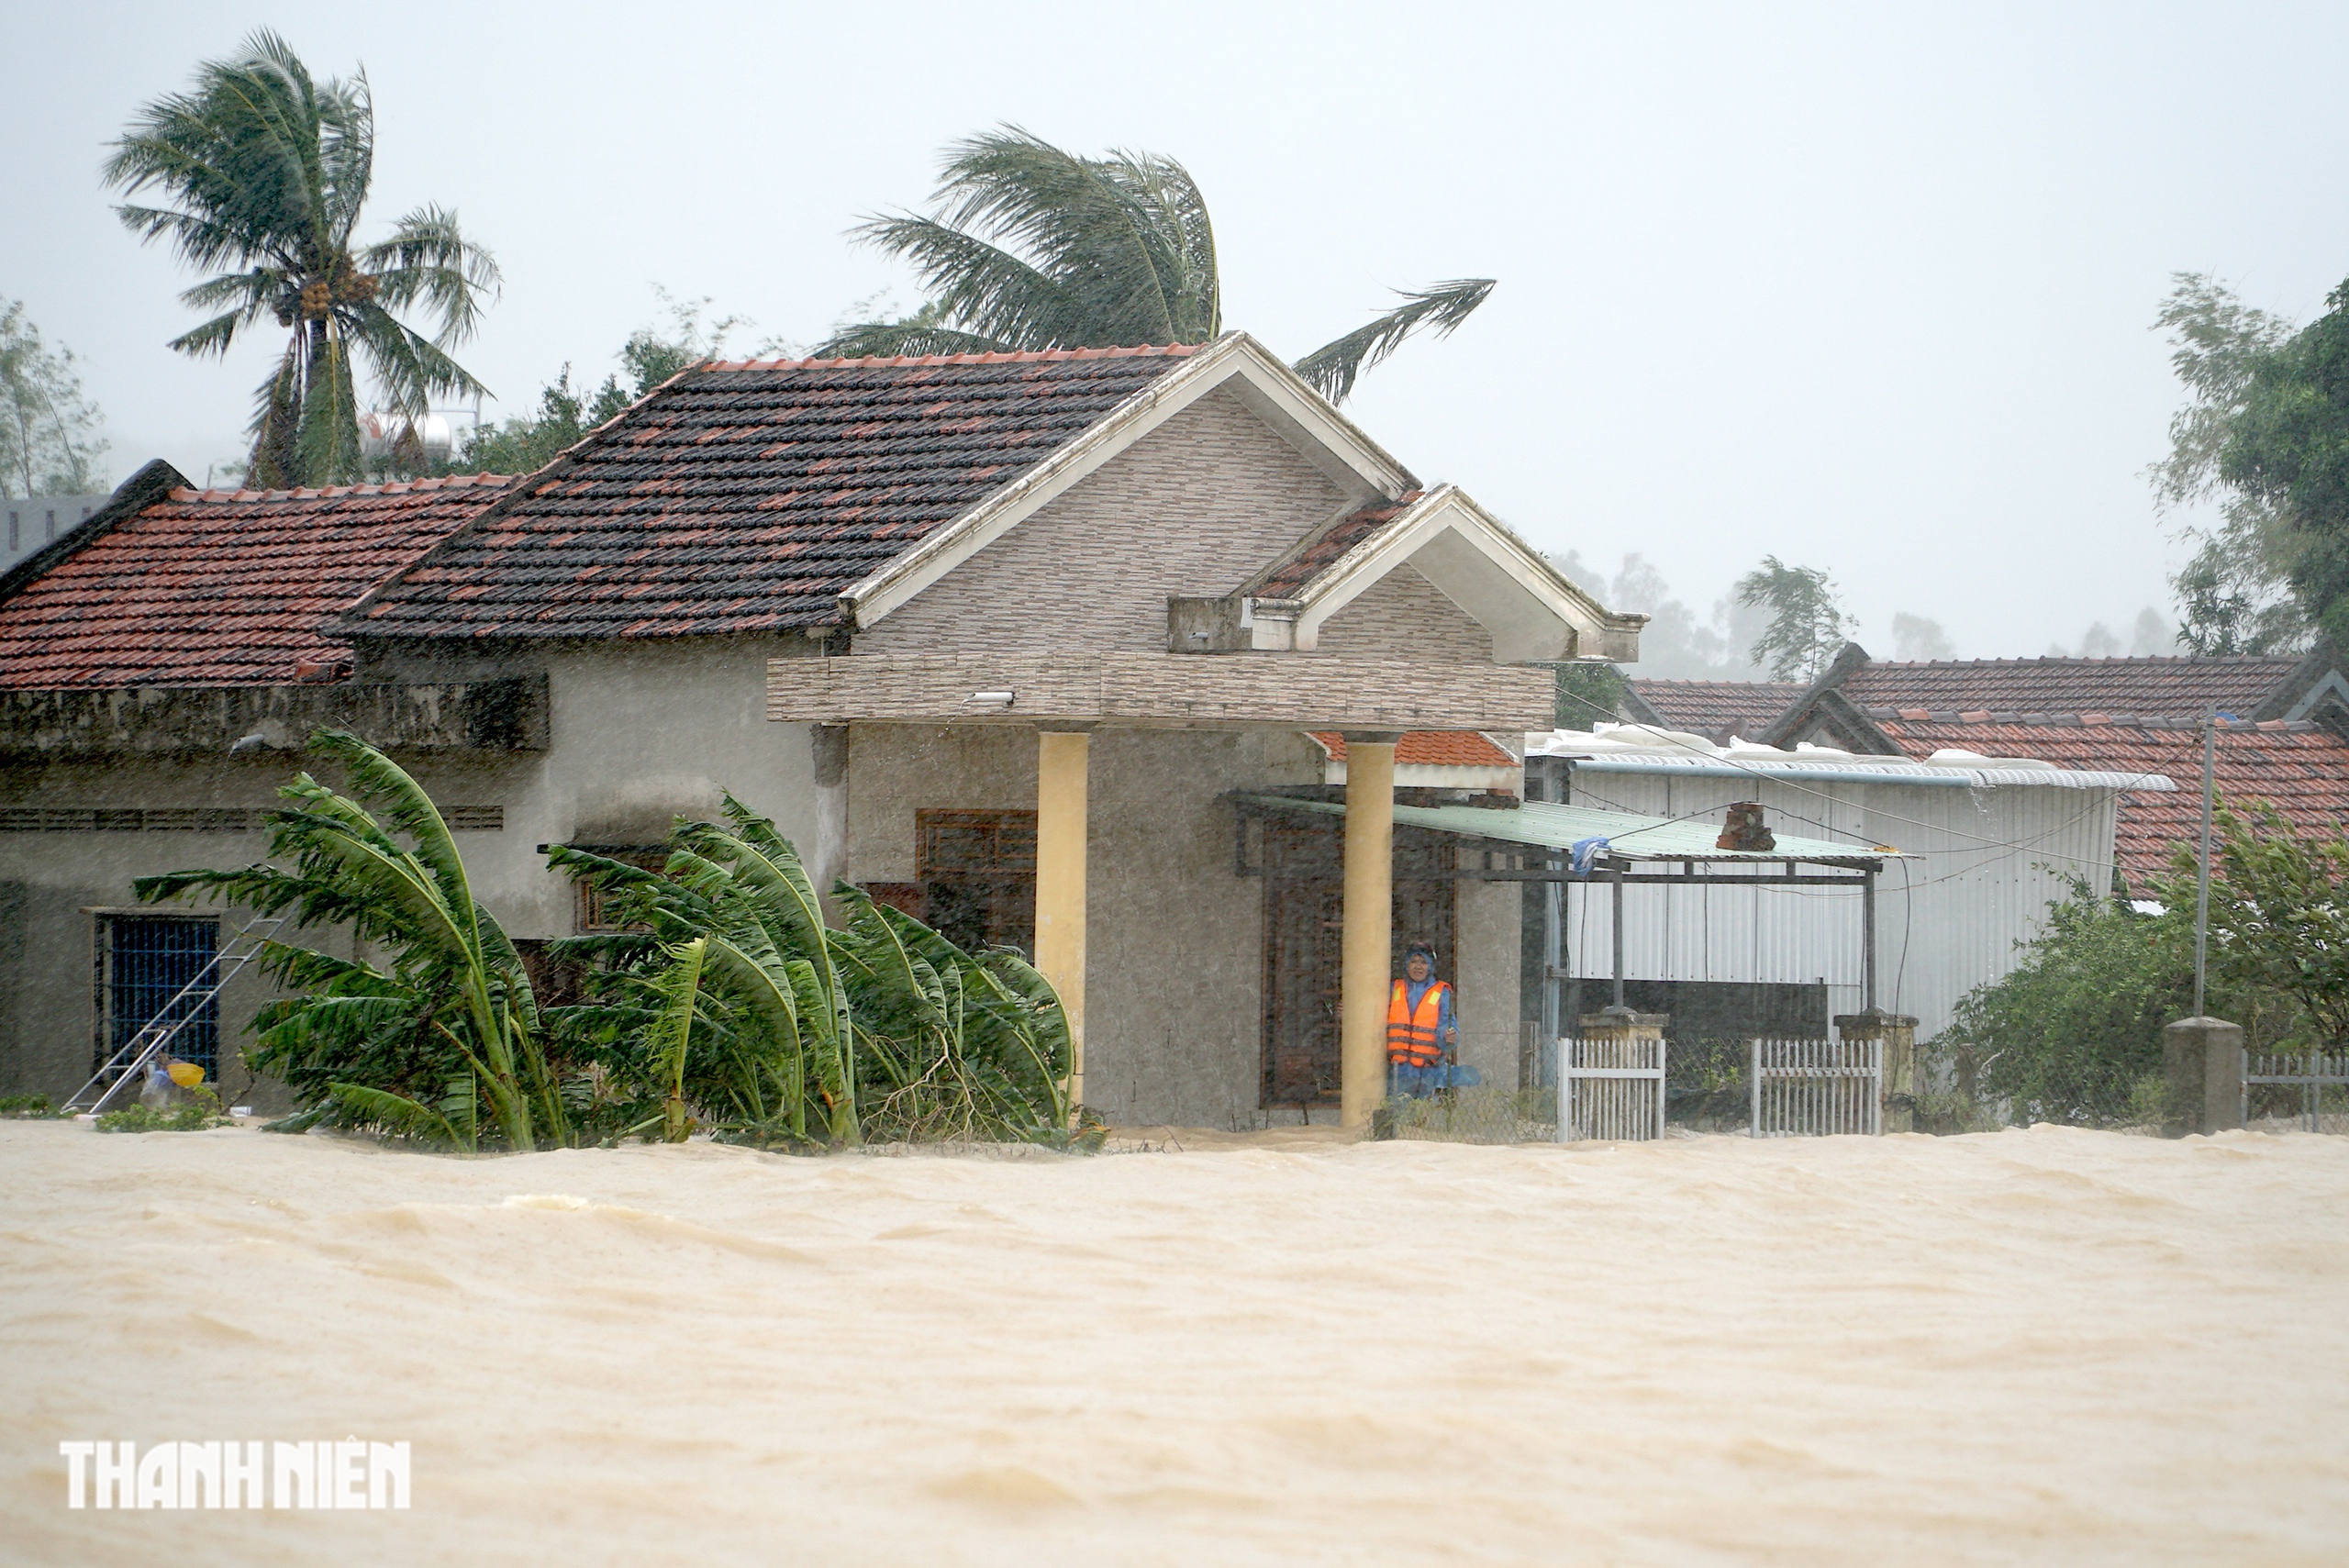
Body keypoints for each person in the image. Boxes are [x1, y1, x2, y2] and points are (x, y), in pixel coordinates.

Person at [1386, 940, 1461, 1099]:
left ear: (1431, 966)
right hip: (1398, 1070)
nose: (1418, 967)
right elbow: (1371, 1014)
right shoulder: (1394, 988)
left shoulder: (1441, 992)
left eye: (1423, 962)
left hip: (1430, 1070)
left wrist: (1449, 1037)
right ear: (1406, 964)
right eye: (1413, 961)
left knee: (1425, 1111)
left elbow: (1448, 1023)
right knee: (1397, 1110)